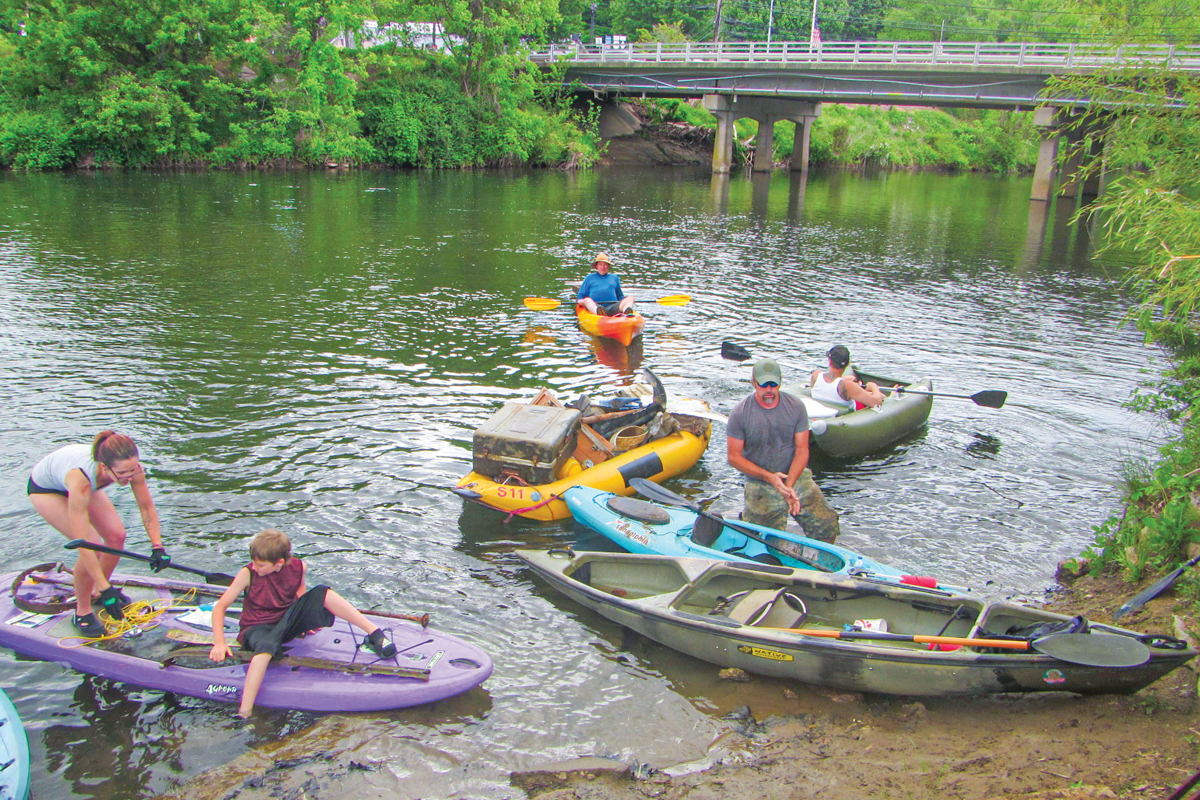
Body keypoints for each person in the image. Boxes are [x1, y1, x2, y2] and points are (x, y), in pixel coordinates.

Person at [208, 528, 398, 717]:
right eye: (254, 563)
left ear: (279, 563)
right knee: (266, 646)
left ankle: (375, 634)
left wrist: (307, 618)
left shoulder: (299, 568)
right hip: (257, 628)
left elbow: (299, 595)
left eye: (261, 565)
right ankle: (245, 711)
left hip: (285, 622)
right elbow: (220, 607)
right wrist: (219, 642)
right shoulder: (248, 573)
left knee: (323, 592)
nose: (255, 567)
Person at [28, 430, 169, 637]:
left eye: (132, 471)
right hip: (47, 490)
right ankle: (82, 611)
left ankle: (97, 592)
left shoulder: (133, 470)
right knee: (93, 544)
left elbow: (146, 508)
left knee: (116, 536)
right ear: (105, 467)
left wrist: (158, 546)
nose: (129, 477)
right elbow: (82, 543)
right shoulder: (82, 480)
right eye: (122, 474)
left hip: (79, 483)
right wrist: (106, 588)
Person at [727, 359, 840, 543]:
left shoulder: (795, 407)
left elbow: (802, 450)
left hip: (795, 476)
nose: (769, 390)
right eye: (764, 385)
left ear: (780, 382)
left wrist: (788, 487)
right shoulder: (740, 413)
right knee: (759, 541)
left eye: (774, 384)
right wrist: (770, 478)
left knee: (826, 524)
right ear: (754, 383)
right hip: (760, 482)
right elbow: (734, 457)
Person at [809, 345, 885, 412]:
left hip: (824, 410)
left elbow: (830, 384)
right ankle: (892, 395)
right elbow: (876, 403)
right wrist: (873, 386)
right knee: (880, 396)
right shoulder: (847, 386)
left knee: (864, 392)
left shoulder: (816, 375)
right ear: (848, 364)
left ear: (830, 361)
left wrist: (845, 379)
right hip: (846, 416)